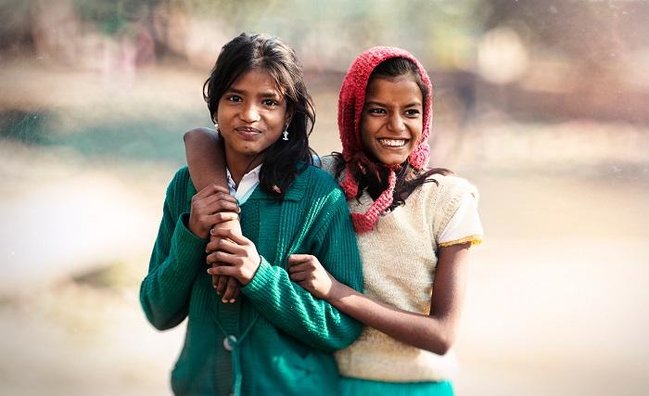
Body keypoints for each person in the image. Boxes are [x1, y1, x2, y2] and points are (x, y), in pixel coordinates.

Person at [185, 46, 483, 395]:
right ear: (353, 112)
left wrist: (336, 292)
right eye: (377, 110)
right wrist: (228, 228)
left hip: (415, 386)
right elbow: (201, 138)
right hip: (331, 384)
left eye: (411, 111)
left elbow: (442, 335)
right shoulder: (325, 180)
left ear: (426, 116)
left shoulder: (448, 198)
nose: (396, 125)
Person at [140, 33, 363, 396]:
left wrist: (258, 276)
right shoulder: (186, 187)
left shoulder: (319, 195)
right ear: (215, 105)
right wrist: (192, 235)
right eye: (235, 97)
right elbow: (157, 310)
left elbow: (342, 326)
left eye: (269, 102)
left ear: (289, 113)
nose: (249, 114)